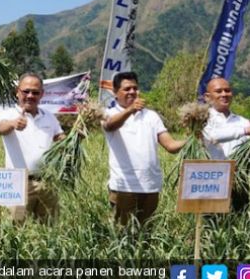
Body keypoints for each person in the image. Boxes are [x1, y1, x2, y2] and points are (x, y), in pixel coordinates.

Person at [102, 71, 185, 226]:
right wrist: (130, 110)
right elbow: (110, 125)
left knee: (145, 232)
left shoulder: (151, 116)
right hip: (124, 186)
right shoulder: (109, 114)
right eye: (127, 89)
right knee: (121, 232)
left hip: (150, 186)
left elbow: (170, 145)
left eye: (135, 88)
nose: (132, 92)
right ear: (115, 93)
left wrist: (190, 140)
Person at [0, 72, 65, 224]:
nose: (30, 96)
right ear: (17, 92)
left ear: (42, 94)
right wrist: (13, 124)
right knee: (17, 229)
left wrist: (75, 137)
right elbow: (2, 128)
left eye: (35, 92)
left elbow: (60, 138)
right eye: (26, 91)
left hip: (47, 182)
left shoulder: (49, 116)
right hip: (18, 184)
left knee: (49, 228)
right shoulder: (7, 114)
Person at [203, 77, 250, 211]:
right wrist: (244, 131)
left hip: (240, 184)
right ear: (207, 97)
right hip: (211, 183)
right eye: (219, 91)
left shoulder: (243, 121)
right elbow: (211, 137)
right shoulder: (202, 119)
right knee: (212, 224)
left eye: (227, 90)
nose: (224, 94)